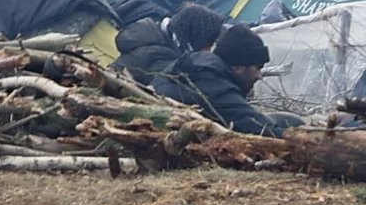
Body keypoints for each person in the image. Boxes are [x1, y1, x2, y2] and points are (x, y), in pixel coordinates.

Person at [120, 14, 296, 134]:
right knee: (290, 124)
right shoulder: (213, 86)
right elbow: (263, 129)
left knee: (288, 120)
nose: (259, 76)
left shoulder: (196, 64)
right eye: (256, 68)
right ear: (239, 67)